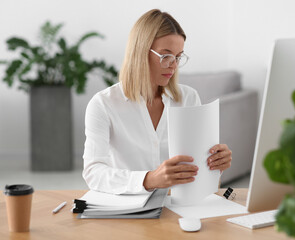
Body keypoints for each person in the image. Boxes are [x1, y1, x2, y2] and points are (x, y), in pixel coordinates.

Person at [82, 9, 232, 194]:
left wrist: (216, 164)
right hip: (129, 211)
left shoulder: (189, 98)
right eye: (166, 56)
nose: (174, 65)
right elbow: (93, 173)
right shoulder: (103, 105)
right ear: (140, 52)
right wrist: (149, 179)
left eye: (178, 57)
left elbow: (204, 179)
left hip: (180, 207)